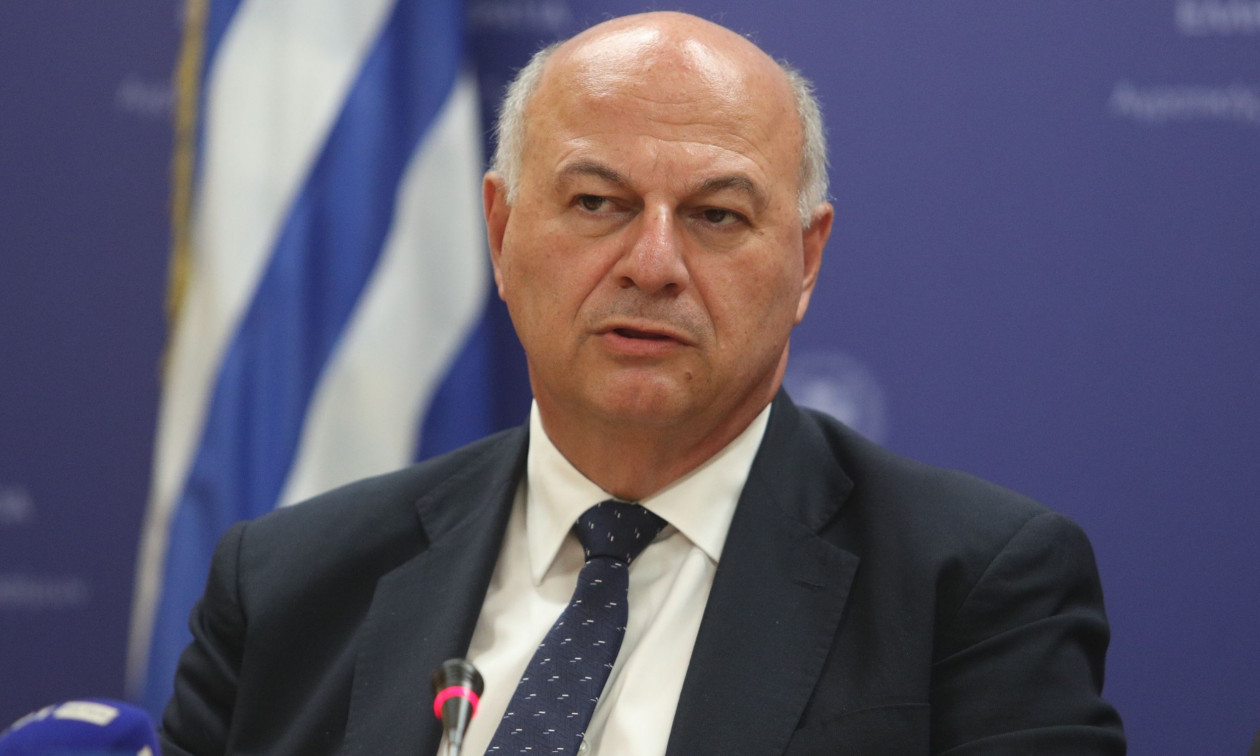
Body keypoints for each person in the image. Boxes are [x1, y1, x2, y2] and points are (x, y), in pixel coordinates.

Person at [159, 11, 1125, 755]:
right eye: (596, 202)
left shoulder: (973, 592)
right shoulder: (288, 587)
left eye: (715, 216)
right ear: (500, 231)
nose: (653, 264)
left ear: (807, 259)